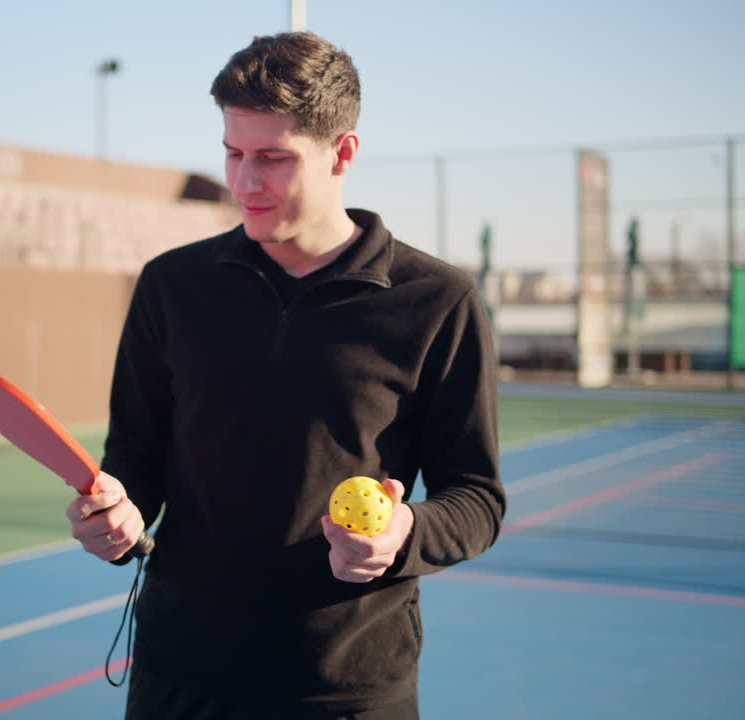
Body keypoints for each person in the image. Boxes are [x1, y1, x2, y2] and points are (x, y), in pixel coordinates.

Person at [65, 31, 504, 719]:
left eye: (272, 158)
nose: (244, 182)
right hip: (179, 676)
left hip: (347, 687)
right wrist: (117, 514)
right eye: (233, 154)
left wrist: (402, 536)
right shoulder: (171, 286)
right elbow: (135, 455)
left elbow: (477, 498)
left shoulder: (437, 301)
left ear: (344, 152)